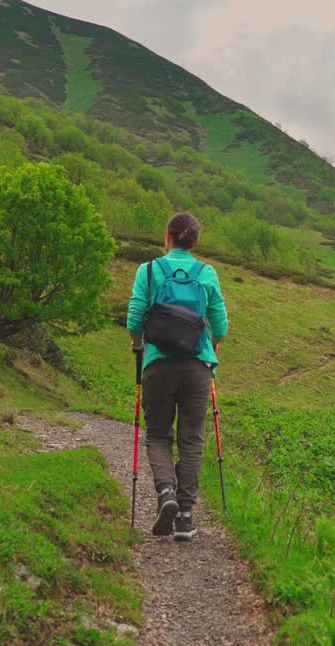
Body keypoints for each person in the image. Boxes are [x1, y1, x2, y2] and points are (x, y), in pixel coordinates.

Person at [127, 212, 228, 541]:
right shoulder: (206, 273)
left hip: (157, 364)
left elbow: (135, 317)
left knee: (158, 434)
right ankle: (185, 516)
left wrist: (137, 345)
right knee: (191, 438)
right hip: (197, 367)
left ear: (167, 237)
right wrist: (210, 344)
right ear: (195, 241)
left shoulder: (149, 270)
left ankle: (166, 492)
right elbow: (221, 326)